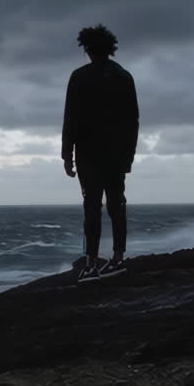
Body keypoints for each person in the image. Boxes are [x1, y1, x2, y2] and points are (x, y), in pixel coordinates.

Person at [61, 24, 139, 282]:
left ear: (87, 49)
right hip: (116, 154)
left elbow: (70, 118)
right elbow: (133, 121)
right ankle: (118, 258)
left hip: (88, 154)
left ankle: (92, 262)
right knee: (117, 205)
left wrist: (66, 155)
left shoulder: (79, 76)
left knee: (91, 208)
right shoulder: (124, 76)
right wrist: (128, 157)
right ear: (110, 49)